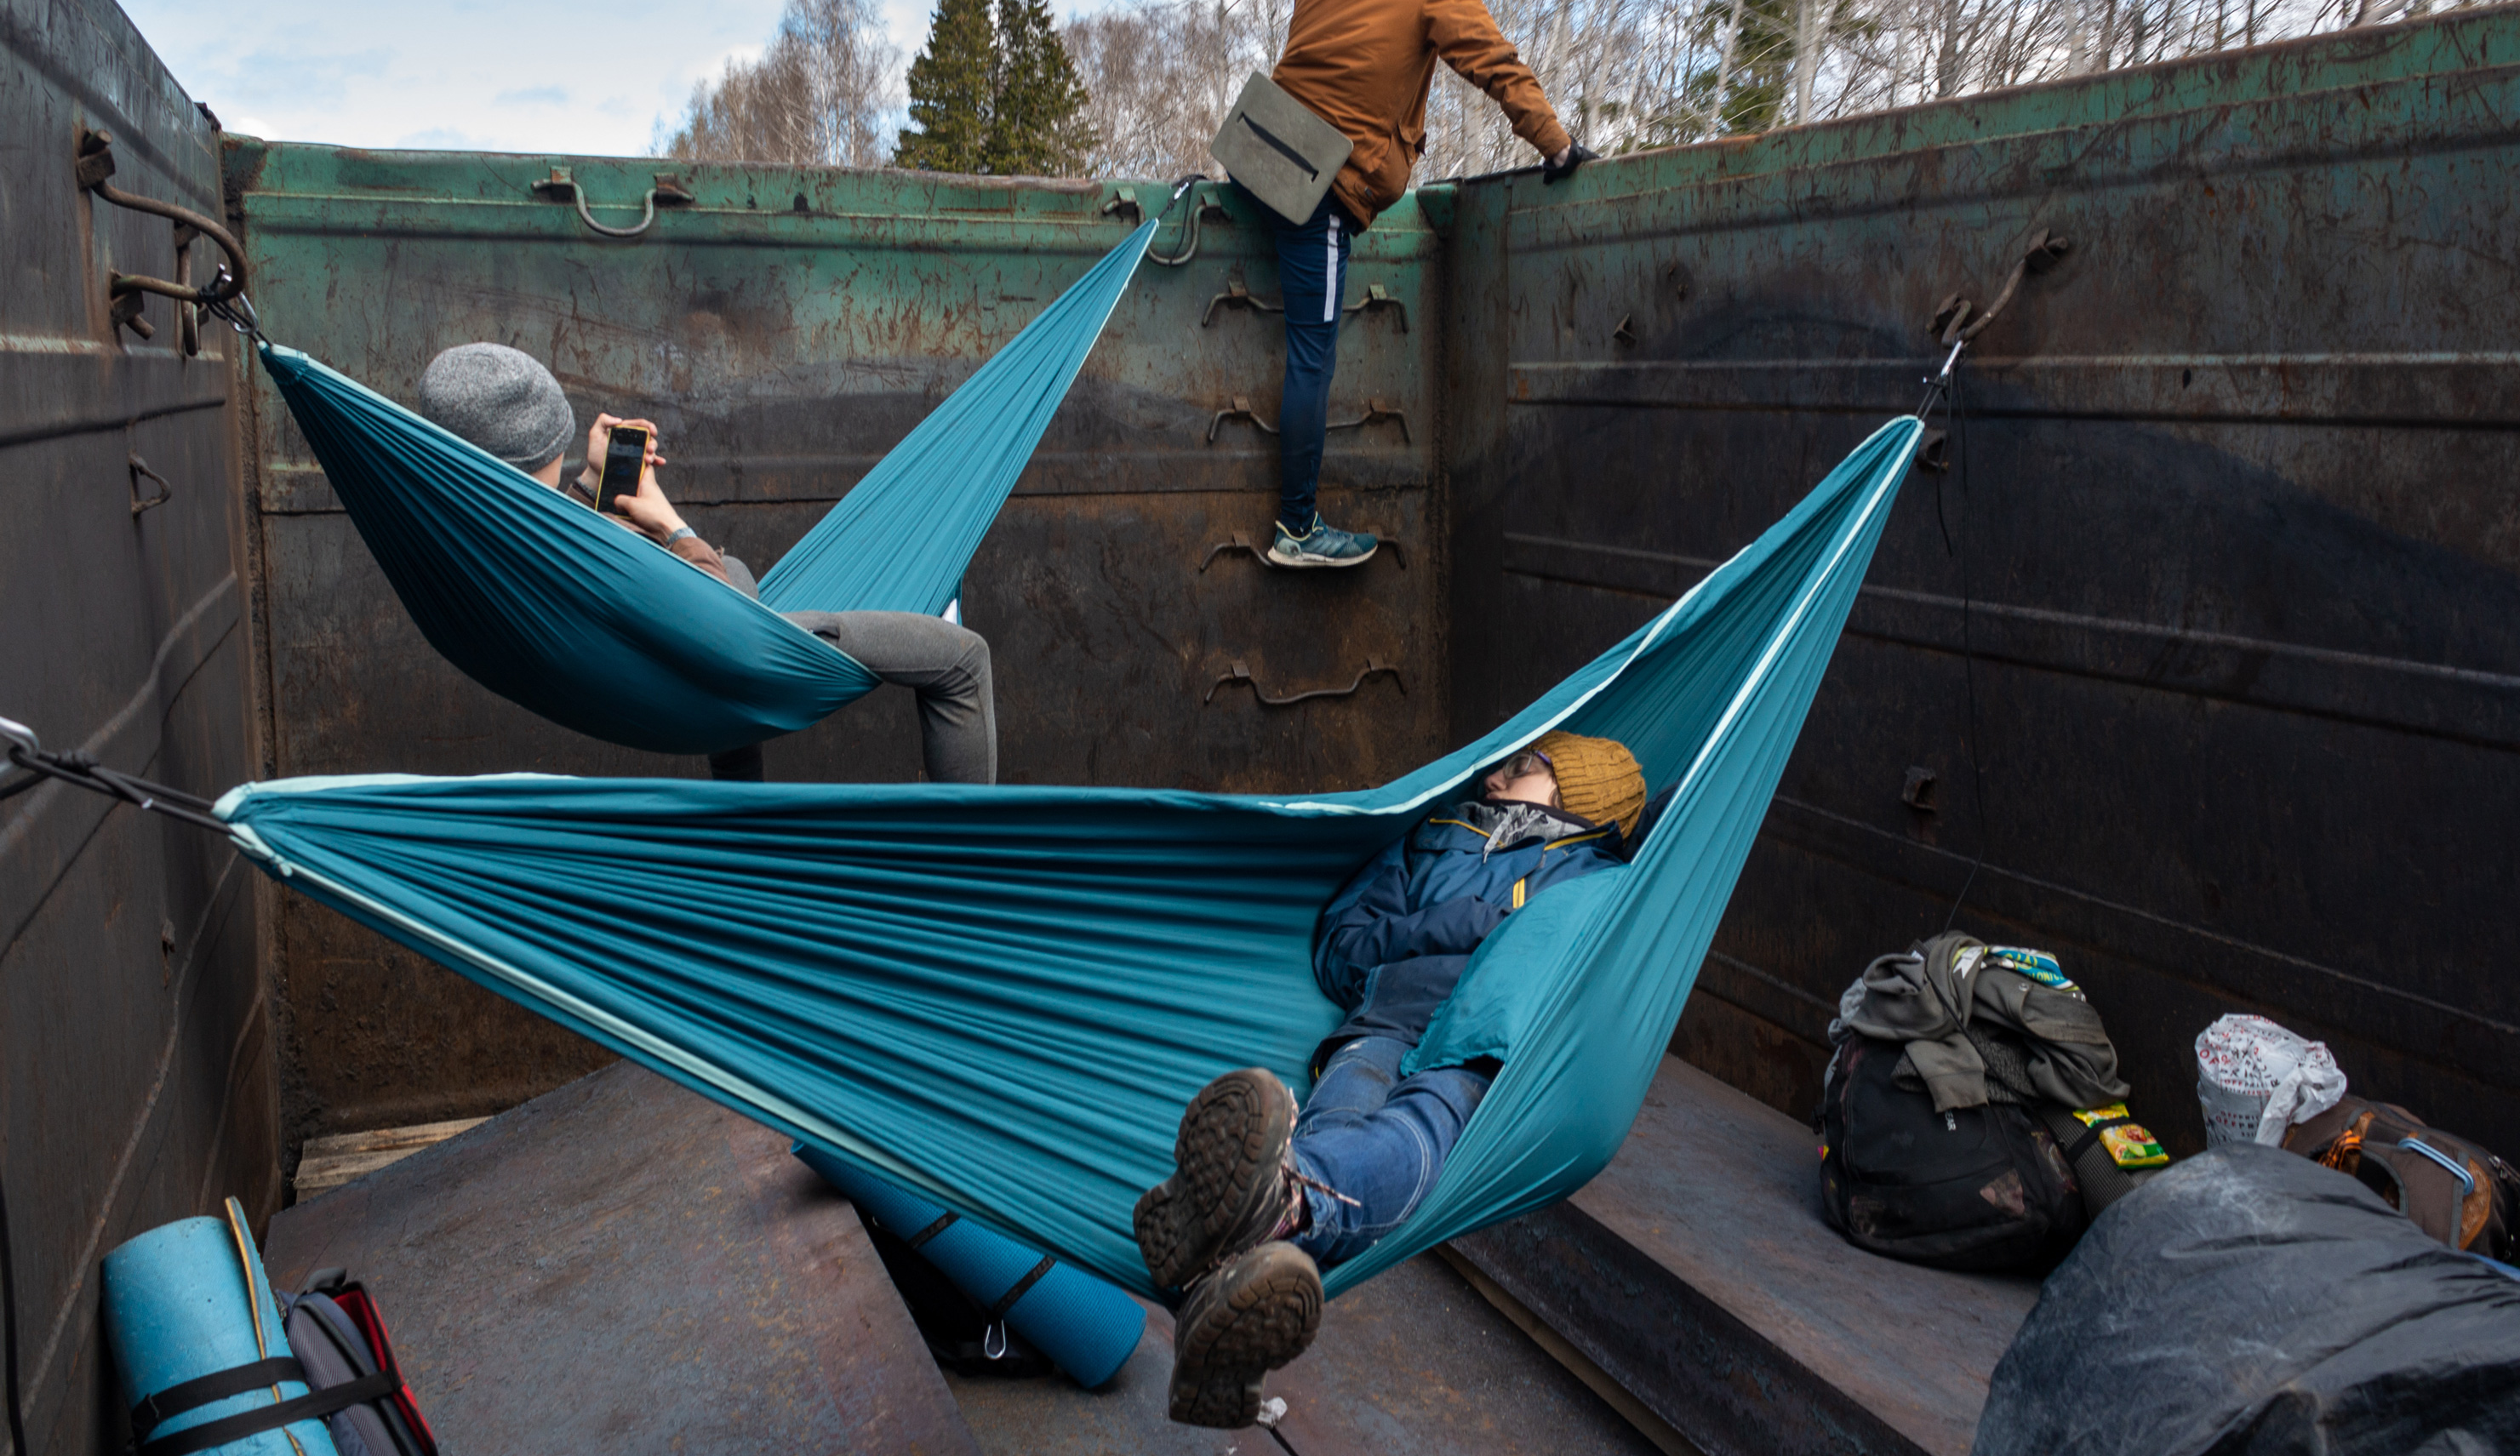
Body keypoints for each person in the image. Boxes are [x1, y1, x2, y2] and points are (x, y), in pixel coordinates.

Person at [1132, 732, 1647, 1426]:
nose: (1495, 777)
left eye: (1523, 767)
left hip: (1480, 1041)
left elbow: (1558, 968)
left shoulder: (1597, 880)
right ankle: (1249, 1256)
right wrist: (1468, 922)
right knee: (1336, 1131)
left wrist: (1440, 928)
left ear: (1572, 794)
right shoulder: (1437, 835)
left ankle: (1252, 1228)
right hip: (1385, 1016)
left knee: (1414, 1131)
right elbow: (1343, 942)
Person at [417, 341, 996, 784]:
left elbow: (556, 554)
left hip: (644, 674)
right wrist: (672, 525)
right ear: (544, 445)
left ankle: (748, 839)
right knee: (964, 659)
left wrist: (593, 486)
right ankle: (971, 868)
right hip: (710, 671)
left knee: (733, 564)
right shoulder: (576, 556)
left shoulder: (470, 530)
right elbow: (733, 629)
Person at [1252, 0, 1597, 570]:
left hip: (1261, 155)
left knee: (1300, 335)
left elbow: (1314, 67)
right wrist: (1556, 144)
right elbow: (1493, 62)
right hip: (1324, 185)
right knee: (1312, 355)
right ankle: (1296, 530)